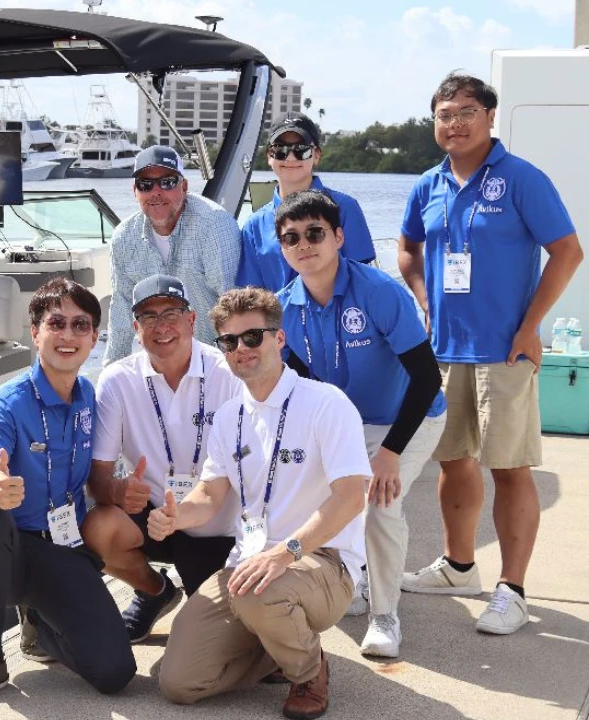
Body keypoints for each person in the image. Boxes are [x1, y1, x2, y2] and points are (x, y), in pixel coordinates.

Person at [398, 73, 583, 635]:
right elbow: (407, 248)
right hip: (444, 351)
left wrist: (531, 326)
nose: (453, 123)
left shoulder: (521, 178)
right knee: (453, 463)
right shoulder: (427, 184)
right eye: (444, 114)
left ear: (490, 116)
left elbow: (568, 252)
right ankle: (459, 567)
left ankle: (513, 589)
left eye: (465, 111)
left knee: (509, 467)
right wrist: (425, 300)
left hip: (505, 352)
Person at [154, 287, 368, 720]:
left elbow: (351, 497)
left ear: (279, 339)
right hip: (248, 564)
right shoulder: (229, 417)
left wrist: (285, 553)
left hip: (320, 560)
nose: (241, 349)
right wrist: (178, 516)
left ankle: (308, 669)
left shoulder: (326, 404)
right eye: (229, 342)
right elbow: (210, 495)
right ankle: (275, 648)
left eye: (252, 337)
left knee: (261, 592)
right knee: (179, 683)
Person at [0, 277, 135, 709]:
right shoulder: (8, 402)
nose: (68, 336)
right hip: (10, 552)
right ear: (35, 333)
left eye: (80, 326)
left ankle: (39, 622)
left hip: (62, 548)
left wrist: (122, 491)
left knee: (114, 672)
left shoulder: (89, 396)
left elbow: (96, 476)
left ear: (95, 337)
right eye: (56, 323)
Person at [275, 190, 446, 658]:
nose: (303, 244)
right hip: (349, 422)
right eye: (291, 238)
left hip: (410, 416)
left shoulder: (379, 291)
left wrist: (390, 453)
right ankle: (352, 579)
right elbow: (299, 379)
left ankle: (385, 614)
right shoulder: (284, 307)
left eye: (314, 233)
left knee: (380, 502)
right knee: (326, 500)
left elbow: (428, 378)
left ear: (338, 236)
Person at [83, 274, 240, 643]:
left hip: (217, 525)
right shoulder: (116, 380)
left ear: (192, 319)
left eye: (171, 313)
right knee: (97, 527)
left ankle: (211, 598)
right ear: (135, 328)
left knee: (220, 643)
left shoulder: (229, 372)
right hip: (154, 517)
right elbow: (98, 476)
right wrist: (118, 492)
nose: (161, 327)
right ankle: (155, 591)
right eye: (149, 317)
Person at [106, 145, 240, 359]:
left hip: (215, 359)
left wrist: (229, 371)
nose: (156, 192)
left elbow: (232, 305)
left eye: (167, 182)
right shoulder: (123, 237)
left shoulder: (214, 224)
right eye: (145, 185)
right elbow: (122, 310)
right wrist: (111, 373)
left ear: (184, 186)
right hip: (156, 360)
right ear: (135, 191)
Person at [236, 112, 376, 292]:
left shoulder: (345, 208)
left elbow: (362, 281)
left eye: (301, 150)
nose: (291, 158)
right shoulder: (254, 226)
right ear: (269, 156)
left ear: (316, 155)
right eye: (280, 150)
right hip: (279, 318)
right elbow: (253, 295)